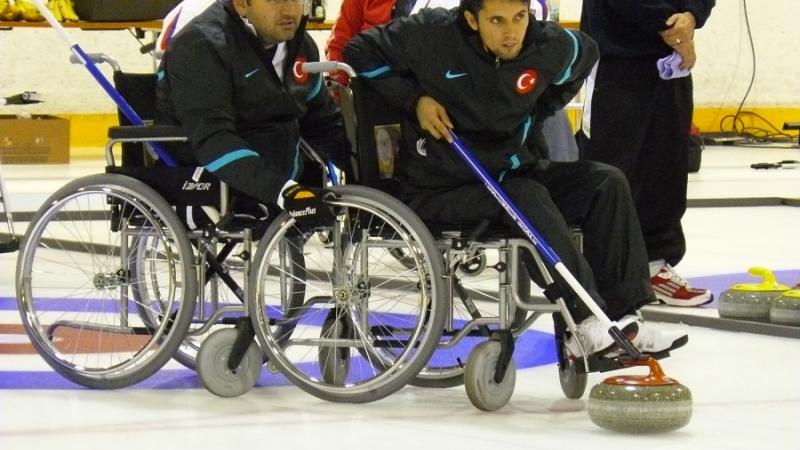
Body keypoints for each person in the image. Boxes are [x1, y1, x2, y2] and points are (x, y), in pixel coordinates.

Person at [344, 0, 687, 356]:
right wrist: (415, 100)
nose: (511, 32)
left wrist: (535, 111)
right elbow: (358, 50)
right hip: (439, 187)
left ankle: (624, 318)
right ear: (471, 20)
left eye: (519, 18)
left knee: (606, 182)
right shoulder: (431, 32)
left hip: (510, 171)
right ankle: (583, 323)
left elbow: (585, 53)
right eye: (497, 21)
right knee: (526, 195)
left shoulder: (544, 44)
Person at [156, 0, 348, 222]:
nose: (289, 11)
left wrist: (366, 172)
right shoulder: (201, 45)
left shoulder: (301, 45)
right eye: (274, 1)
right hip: (210, 180)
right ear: (241, 4)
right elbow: (212, 138)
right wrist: (282, 190)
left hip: (280, 175)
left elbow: (323, 122)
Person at [578, 0, 716, 307]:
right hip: (617, 58)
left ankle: (655, 266)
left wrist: (693, 15)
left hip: (671, 60)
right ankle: (607, 275)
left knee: (667, 163)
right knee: (614, 169)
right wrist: (673, 27)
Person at [327, 0, 579, 161]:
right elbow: (345, 46)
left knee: (548, 116)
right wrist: (346, 95)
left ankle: (551, 185)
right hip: (406, 101)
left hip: (487, 88)